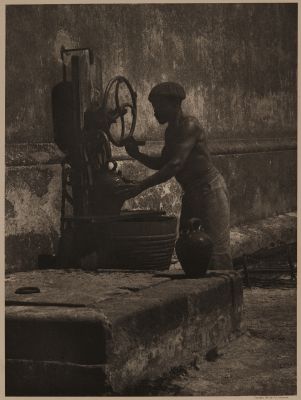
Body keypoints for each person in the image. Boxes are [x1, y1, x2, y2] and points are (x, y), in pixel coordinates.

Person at [118, 82, 233, 270]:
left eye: (158, 106)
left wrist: (140, 186)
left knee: (215, 254)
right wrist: (136, 154)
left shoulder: (189, 125)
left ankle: (226, 295)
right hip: (192, 193)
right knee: (189, 249)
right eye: (154, 107)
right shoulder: (171, 131)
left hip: (210, 191)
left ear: (174, 104)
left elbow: (174, 165)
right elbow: (163, 164)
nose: (155, 112)